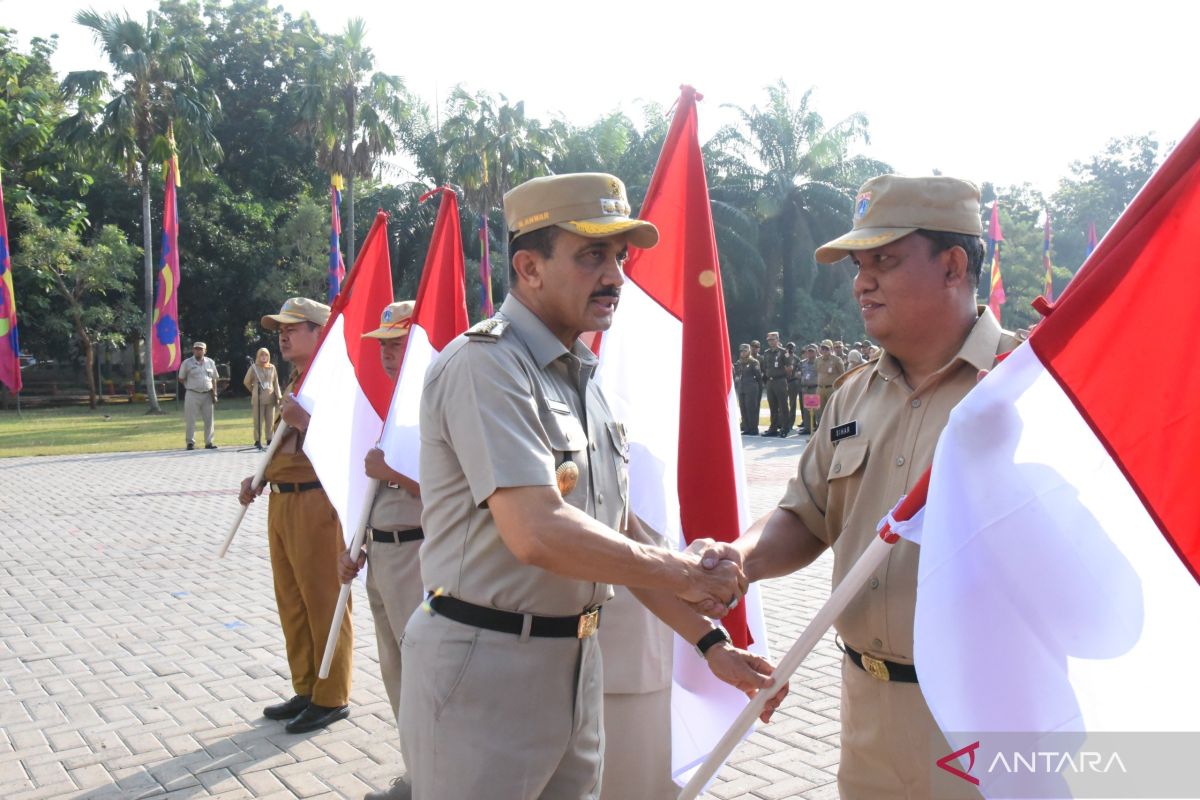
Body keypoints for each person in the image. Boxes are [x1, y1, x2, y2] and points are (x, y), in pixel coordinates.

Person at [399, 173, 784, 800]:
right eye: (591, 256)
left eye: (618, 257)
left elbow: (614, 537)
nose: (615, 276)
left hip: (575, 667)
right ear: (528, 266)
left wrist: (711, 644)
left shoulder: (584, 379)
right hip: (485, 670)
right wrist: (684, 571)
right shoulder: (486, 366)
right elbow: (539, 531)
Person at [694, 174, 1021, 800]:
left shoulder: (1020, 389)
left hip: (986, 718)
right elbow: (807, 513)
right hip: (868, 712)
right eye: (858, 265)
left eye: (885, 261)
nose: (861, 281)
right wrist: (739, 559)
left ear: (954, 265)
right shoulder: (852, 395)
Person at [238, 297, 354, 735]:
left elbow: (350, 441)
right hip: (282, 501)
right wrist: (260, 476)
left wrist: (305, 419)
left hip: (315, 503)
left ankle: (331, 695)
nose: (283, 335)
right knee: (293, 601)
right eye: (280, 328)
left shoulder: (337, 381)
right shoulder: (298, 380)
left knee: (324, 600)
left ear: (320, 332)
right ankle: (306, 686)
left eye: (293, 327)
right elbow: (284, 445)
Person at [337, 301, 422, 800]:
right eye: (383, 344)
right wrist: (356, 543)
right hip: (382, 554)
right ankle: (416, 773)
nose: (388, 353)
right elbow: (367, 484)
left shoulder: (432, 402)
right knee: (395, 671)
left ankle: (434, 776)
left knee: (423, 674)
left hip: (419, 554)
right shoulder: (389, 404)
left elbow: (459, 493)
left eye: (398, 341)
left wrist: (391, 472)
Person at [178, 341, 218, 450]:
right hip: (192, 393)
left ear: (205, 351)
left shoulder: (210, 362)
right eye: (196, 348)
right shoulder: (187, 363)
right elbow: (181, 378)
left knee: (209, 420)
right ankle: (190, 442)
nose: (198, 350)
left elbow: (214, 378)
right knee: (190, 419)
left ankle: (209, 442)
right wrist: (189, 385)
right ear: (193, 350)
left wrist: (214, 393)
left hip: (207, 394)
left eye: (201, 349)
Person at [243, 347, 282, 450]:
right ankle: (257, 440)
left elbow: (276, 382)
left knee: (270, 420)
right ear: (258, 356)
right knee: (258, 420)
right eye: (262, 355)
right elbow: (246, 381)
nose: (264, 357)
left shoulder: (272, 367)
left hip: (270, 397)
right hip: (258, 398)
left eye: (266, 355)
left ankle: (269, 439)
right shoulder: (254, 367)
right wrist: (253, 390)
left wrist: (279, 396)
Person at [760, 331, 789, 437]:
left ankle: (785, 428)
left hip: (780, 380)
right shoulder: (766, 352)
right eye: (769, 340)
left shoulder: (783, 352)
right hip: (770, 381)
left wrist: (786, 378)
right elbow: (765, 367)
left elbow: (789, 366)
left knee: (783, 405)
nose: (770, 342)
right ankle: (773, 428)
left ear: (777, 340)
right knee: (772, 406)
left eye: (772, 340)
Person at [814, 339, 845, 429]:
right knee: (820, 411)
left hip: (832, 388)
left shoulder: (837, 360)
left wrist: (840, 388)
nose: (824, 350)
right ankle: (822, 430)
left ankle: (833, 429)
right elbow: (817, 372)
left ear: (831, 349)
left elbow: (843, 375)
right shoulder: (817, 360)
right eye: (822, 348)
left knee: (832, 410)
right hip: (820, 389)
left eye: (826, 349)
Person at [733, 343, 762, 435]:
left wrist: (758, 388)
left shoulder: (754, 362)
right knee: (743, 408)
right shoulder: (739, 362)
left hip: (751, 388)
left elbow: (758, 377)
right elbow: (737, 374)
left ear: (749, 351)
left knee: (751, 409)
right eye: (741, 351)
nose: (742, 353)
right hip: (742, 388)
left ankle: (753, 428)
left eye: (745, 351)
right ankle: (746, 427)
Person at [796, 344, 819, 434]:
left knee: (817, 410)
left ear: (816, 352)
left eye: (812, 352)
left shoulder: (819, 362)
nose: (810, 354)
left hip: (815, 388)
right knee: (806, 410)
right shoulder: (802, 363)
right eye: (808, 352)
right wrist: (798, 375)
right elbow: (798, 372)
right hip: (805, 388)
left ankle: (818, 427)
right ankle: (807, 428)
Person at [783, 341, 800, 436]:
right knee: (783, 403)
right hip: (783, 381)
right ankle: (782, 422)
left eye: (792, 347)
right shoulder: (783, 356)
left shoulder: (796, 358)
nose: (790, 349)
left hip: (793, 382)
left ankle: (790, 423)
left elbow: (797, 369)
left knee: (792, 404)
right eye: (789, 347)